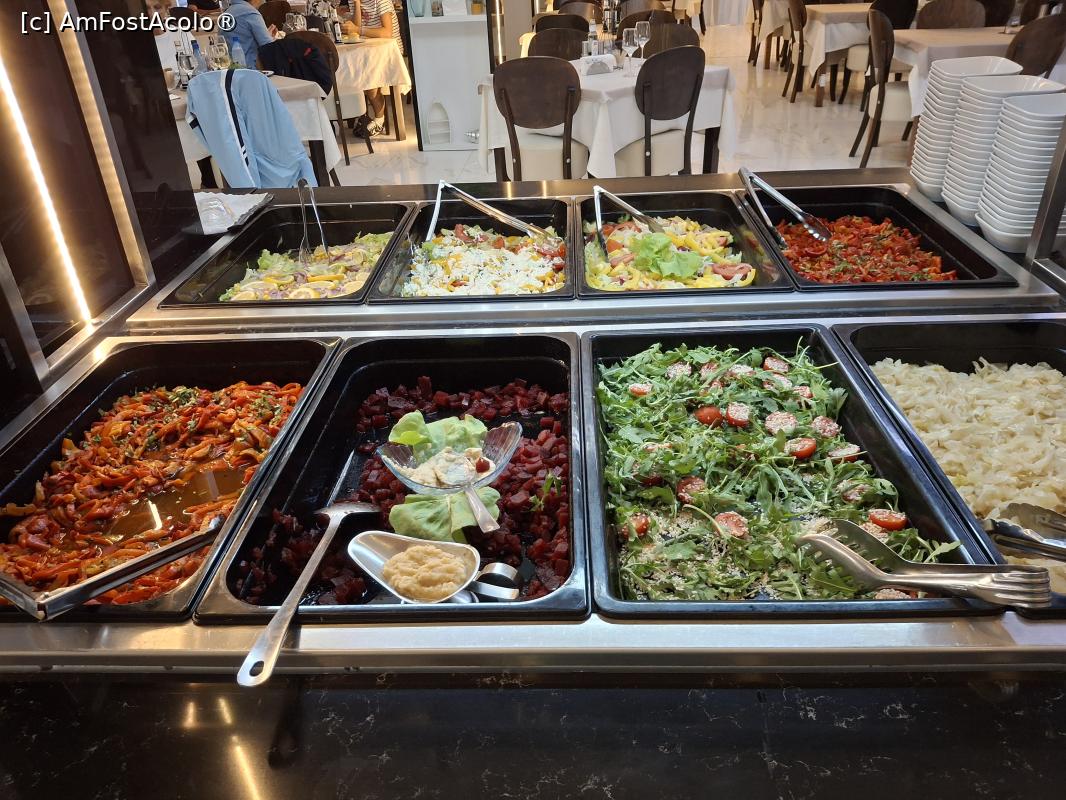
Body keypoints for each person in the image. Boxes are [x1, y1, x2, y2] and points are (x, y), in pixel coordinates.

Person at [353, 0, 404, 136]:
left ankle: (379, 120)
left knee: (368, 75)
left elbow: (387, 32)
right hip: (367, 51)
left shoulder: (381, 1)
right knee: (350, 69)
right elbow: (355, 30)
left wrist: (358, 30)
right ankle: (359, 113)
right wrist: (356, 4)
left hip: (389, 52)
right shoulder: (355, 2)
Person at [220, 0, 277, 68]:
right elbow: (269, 47)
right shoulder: (250, 12)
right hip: (251, 69)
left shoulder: (226, 14)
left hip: (230, 68)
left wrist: (267, 35)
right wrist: (270, 38)